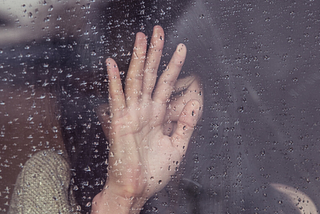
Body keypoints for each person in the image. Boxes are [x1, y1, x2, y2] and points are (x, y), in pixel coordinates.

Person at [9, 25, 203, 214]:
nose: (156, 114)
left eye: (177, 92)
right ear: (100, 116)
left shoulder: (224, 171)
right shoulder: (50, 182)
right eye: (117, 109)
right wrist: (121, 199)